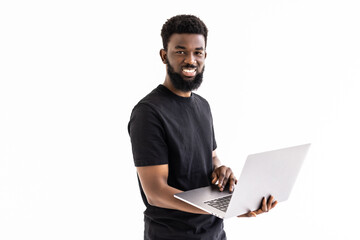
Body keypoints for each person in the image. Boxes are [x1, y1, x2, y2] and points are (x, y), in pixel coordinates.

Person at [128, 14, 277, 240]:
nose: (191, 59)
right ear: (163, 55)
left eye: (198, 52)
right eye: (180, 51)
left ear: (205, 56)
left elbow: (211, 158)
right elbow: (156, 192)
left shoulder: (203, 106)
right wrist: (227, 207)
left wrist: (221, 170)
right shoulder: (148, 112)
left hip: (214, 233)